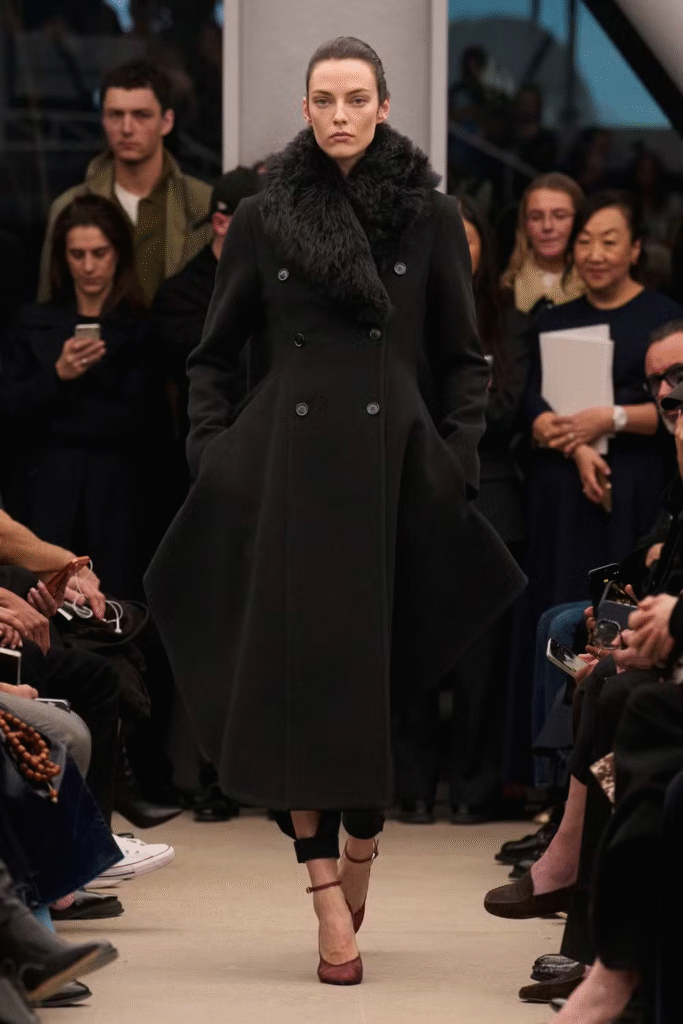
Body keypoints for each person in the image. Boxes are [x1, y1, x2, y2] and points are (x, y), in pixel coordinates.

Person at [145, 35, 525, 985]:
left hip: (391, 478)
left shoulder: (431, 216)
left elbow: (463, 361)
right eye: (324, 99)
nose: (340, 114)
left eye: (357, 98)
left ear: (384, 106)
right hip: (282, 479)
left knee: (372, 690)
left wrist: (453, 464)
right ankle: (324, 895)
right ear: (307, 109)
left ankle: (359, 845)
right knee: (293, 695)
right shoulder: (265, 216)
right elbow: (211, 356)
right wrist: (213, 455)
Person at [393, 196, 533, 824]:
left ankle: (474, 789)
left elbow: (506, 406)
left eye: (468, 239)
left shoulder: (510, 320)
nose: (456, 249)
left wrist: (452, 420)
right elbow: (398, 402)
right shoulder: (405, 313)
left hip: (491, 497)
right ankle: (414, 787)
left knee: (480, 658)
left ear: (484, 250)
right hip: (415, 493)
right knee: (416, 649)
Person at [2, 194, 164, 599]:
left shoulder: (143, 329)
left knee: (114, 604)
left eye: (99, 253)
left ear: (118, 254)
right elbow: (9, 411)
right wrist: (58, 375)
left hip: (118, 501)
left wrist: (60, 402)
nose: (88, 266)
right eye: (77, 254)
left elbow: (147, 424)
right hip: (43, 496)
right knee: (43, 604)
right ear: (63, 258)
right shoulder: (33, 323)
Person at [37, 60, 212, 306]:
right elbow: (49, 306)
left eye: (141, 115)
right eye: (116, 115)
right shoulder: (69, 207)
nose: (127, 129)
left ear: (167, 122)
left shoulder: (201, 203)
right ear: (103, 121)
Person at [152, 165, 261, 465]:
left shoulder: (282, 285)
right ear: (220, 223)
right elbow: (212, 370)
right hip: (212, 457)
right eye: (262, 223)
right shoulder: (180, 296)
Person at [501, 173, 586, 314]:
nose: (547, 226)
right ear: (525, 225)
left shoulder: (597, 288)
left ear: (580, 221)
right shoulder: (504, 292)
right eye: (536, 217)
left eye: (560, 216)